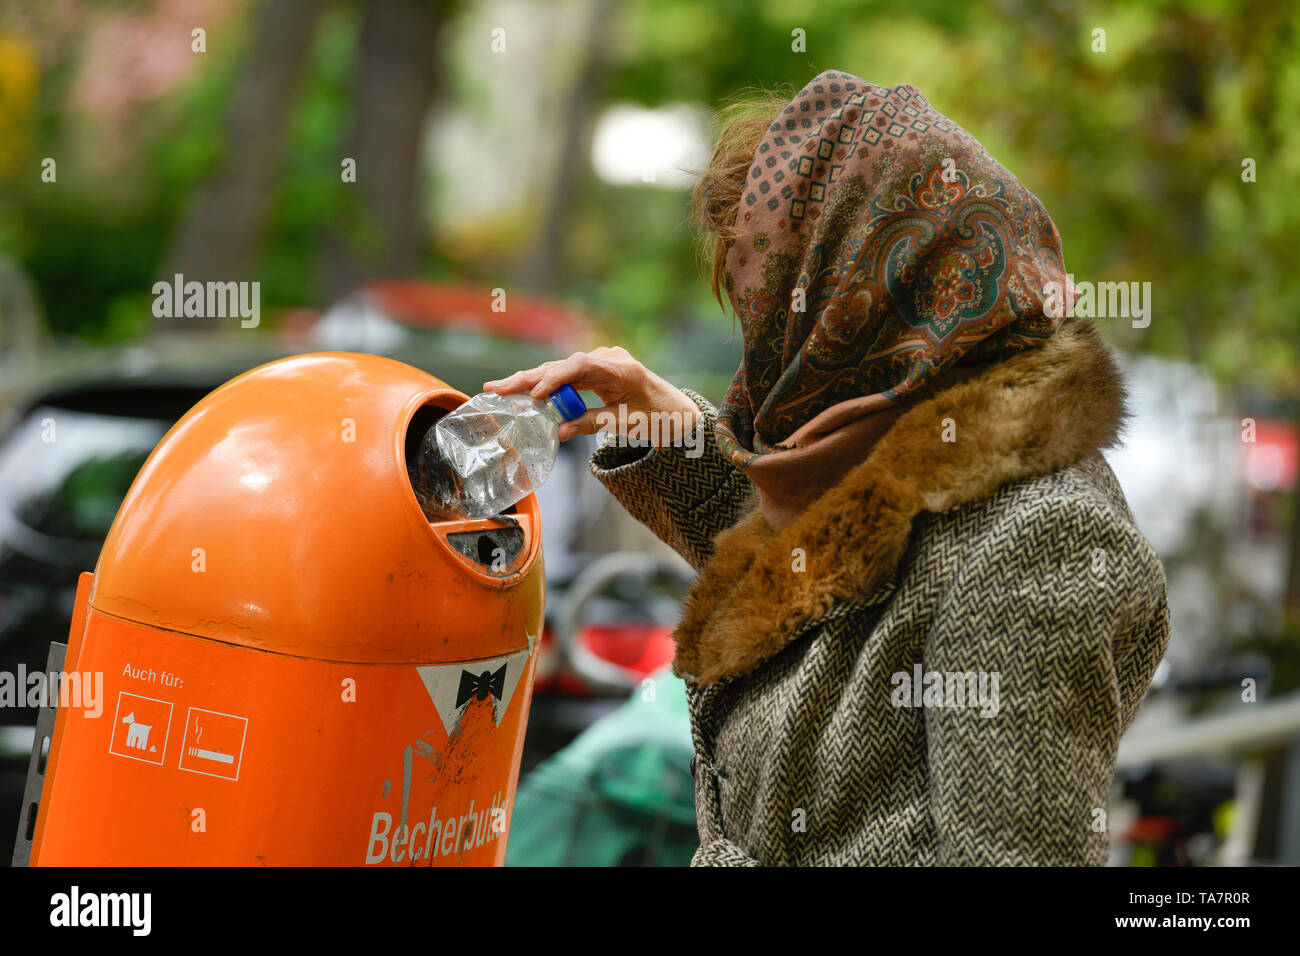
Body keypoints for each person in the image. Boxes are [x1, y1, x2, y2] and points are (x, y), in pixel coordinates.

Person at [484, 70, 1170, 866]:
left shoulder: (1040, 542)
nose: (767, 350)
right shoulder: (909, 444)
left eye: (774, 310)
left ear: (861, 292)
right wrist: (669, 429)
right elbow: (818, 593)